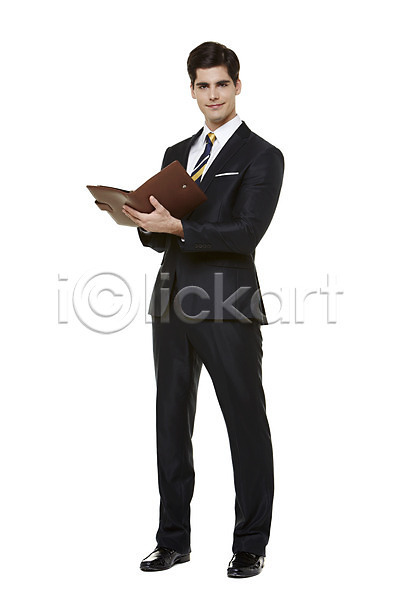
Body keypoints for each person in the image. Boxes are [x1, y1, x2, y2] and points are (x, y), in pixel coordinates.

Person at [122, 41, 284, 578]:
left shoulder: (262, 156)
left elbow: (246, 233)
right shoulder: (177, 152)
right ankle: (172, 540)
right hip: (171, 300)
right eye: (202, 85)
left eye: (221, 84)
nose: (212, 94)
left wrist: (178, 227)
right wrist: (141, 221)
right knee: (170, 422)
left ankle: (250, 543)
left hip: (227, 303)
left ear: (237, 86)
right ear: (191, 89)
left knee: (245, 422)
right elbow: (161, 237)